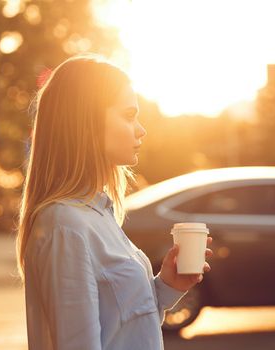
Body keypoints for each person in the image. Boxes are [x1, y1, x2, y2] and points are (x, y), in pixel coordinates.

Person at [16, 54, 213, 350]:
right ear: (88, 122)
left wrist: (168, 286)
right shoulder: (65, 225)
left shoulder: (99, 213)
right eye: (129, 115)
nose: (141, 129)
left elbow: (122, 325)